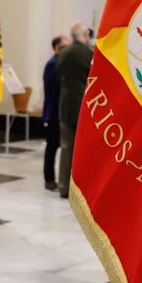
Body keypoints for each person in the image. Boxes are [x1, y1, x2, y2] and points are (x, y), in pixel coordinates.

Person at [57, 21, 93, 199]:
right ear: (84, 35)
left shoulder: (63, 53)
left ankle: (63, 186)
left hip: (64, 106)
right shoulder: (88, 54)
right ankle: (79, 189)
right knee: (82, 151)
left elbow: (58, 76)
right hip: (82, 108)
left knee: (66, 147)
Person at [41, 35, 68, 192]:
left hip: (60, 111)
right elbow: (53, 91)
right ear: (56, 47)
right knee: (52, 146)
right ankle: (49, 179)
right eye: (64, 46)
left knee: (58, 145)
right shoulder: (53, 64)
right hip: (53, 112)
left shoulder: (61, 62)